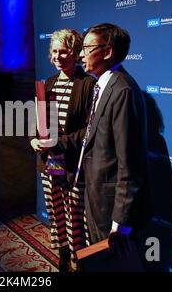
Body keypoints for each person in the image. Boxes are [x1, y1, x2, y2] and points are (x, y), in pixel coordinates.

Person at [78, 23, 150, 259]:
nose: (81, 54)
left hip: (111, 209)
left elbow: (130, 162)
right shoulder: (102, 85)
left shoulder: (122, 90)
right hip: (97, 198)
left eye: (87, 48)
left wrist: (120, 223)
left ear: (107, 52)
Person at [29, 29, 95, 272]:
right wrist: (34, 140)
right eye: (54, 51)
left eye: (63, 51)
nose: (58, 56)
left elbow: (90, 129)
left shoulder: (88, 84)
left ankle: (82, 260)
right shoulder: (47, 84)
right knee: (57, 212)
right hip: (52, 162)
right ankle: (65, 256)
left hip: (74, 164)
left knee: (76, 216)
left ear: (76, 53)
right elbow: (39, 122)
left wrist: (59, 143)